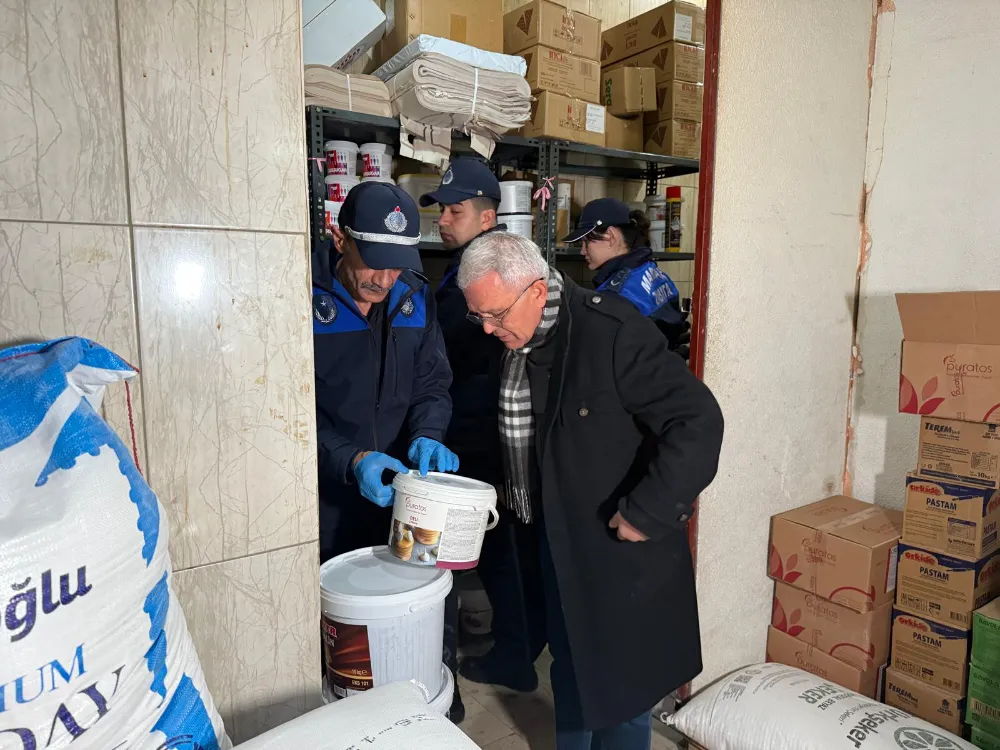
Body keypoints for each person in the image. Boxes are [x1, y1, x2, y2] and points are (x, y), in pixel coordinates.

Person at [456, 231, 724, 749]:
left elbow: (697, 420)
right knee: (571, 669)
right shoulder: (511, 340)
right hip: (553, 542)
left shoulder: (612, 333)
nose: (488, 328)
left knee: (623, 686)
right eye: (478, 316)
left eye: (496, 314)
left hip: (614, 547)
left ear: (537, 290)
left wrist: (647, 511)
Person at [311, 181, 465, 720]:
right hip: (331, 499)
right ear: (340, 240)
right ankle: (359, 723)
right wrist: (350, 460)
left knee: (426, 596)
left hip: (406, 493)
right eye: (373, 262)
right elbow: (287, 414)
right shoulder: (301, 298)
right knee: (349, 620)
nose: (384, 279)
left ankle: (435, 709)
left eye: (397, 265)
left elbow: (432, 383)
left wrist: (429, 433)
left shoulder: (413, 295)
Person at [421, 160, 548, 694]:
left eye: (456, 210)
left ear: (488, 216)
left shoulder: (487, 278)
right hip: (480, 430)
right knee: (506, 551)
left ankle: (516, 656)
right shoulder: (468, 267)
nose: (444, 220)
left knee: (502, 553)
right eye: (442, 211)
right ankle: (521, 644)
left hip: (490, 437)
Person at [564, 197, 692, 359]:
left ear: (611, 236)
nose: (583, 251)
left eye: (586, 241)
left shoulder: (617, 294)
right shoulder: (652, 271)